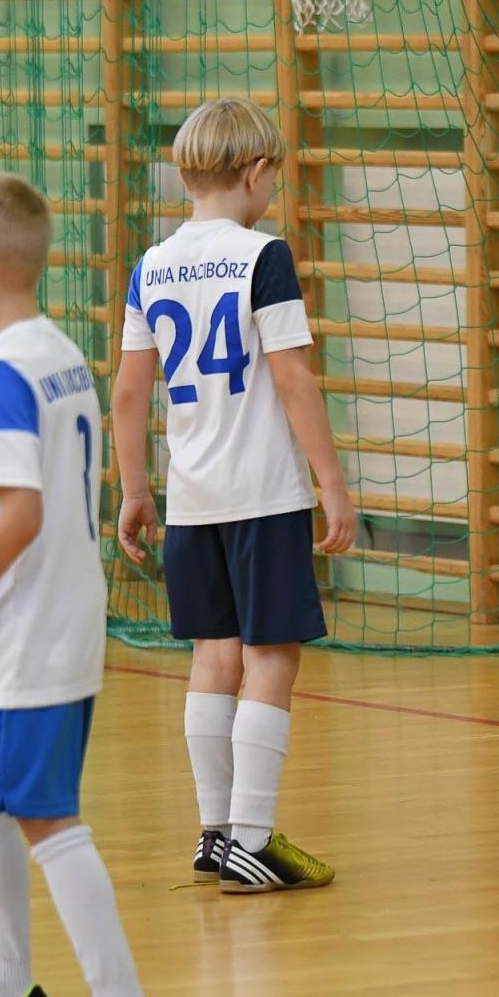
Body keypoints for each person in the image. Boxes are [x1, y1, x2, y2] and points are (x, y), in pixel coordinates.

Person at [0, 170, 174, 997]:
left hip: (31, 629)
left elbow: (19, 512)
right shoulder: (61, 354)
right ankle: (10, 988)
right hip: (44, 621)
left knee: (44, 815)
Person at [111, 97, 355, 893]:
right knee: (270, 657)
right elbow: (292, 377)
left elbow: (127, 393)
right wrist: (332, 482)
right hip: (262, 493)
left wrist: (135, 490)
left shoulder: (151, 265)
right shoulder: (263, 255)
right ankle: (252, 835)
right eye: (272, 176)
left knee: (212, 657)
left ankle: (216, 832)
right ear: (255, 172)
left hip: (192, 497)